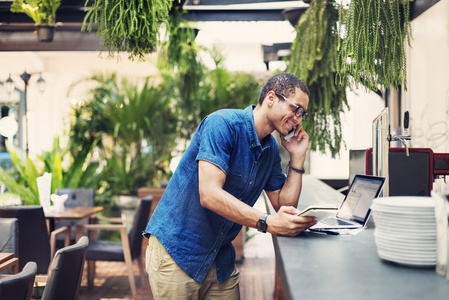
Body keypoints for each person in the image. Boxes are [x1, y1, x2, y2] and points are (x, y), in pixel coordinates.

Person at [143, 72, 317, 299]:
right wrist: (267, 222)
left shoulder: (271, 150)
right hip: (178, 252)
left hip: (220, 258)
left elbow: (284, 204)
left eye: (303, 113)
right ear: (272, 98)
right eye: (296, 109)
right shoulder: (222, 125)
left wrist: (297, 156)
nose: (299, 119)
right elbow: (209, 194)